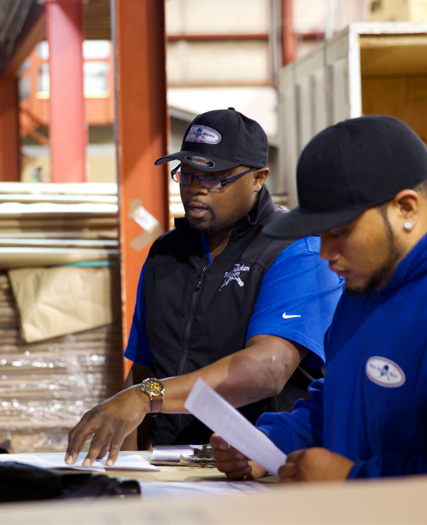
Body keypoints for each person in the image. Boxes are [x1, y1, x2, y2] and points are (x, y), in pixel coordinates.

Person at [66, 108, 343, 466]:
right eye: (188, 175)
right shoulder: (166, 254)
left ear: (259, 178)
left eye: (215, 178)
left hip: (256, 463)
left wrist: (147, 396)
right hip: (174, 464)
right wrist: (127, 464)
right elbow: (145, 370)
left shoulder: (294, 248)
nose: (196, 189)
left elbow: (268, 368)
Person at [212, 115, 427, 481]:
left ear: (406, 208)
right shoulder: (362, 292)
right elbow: (339, 402)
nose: (326, 253)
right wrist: (269, 444)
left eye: (340, 233)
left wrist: (352, 480)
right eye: (319, 234)